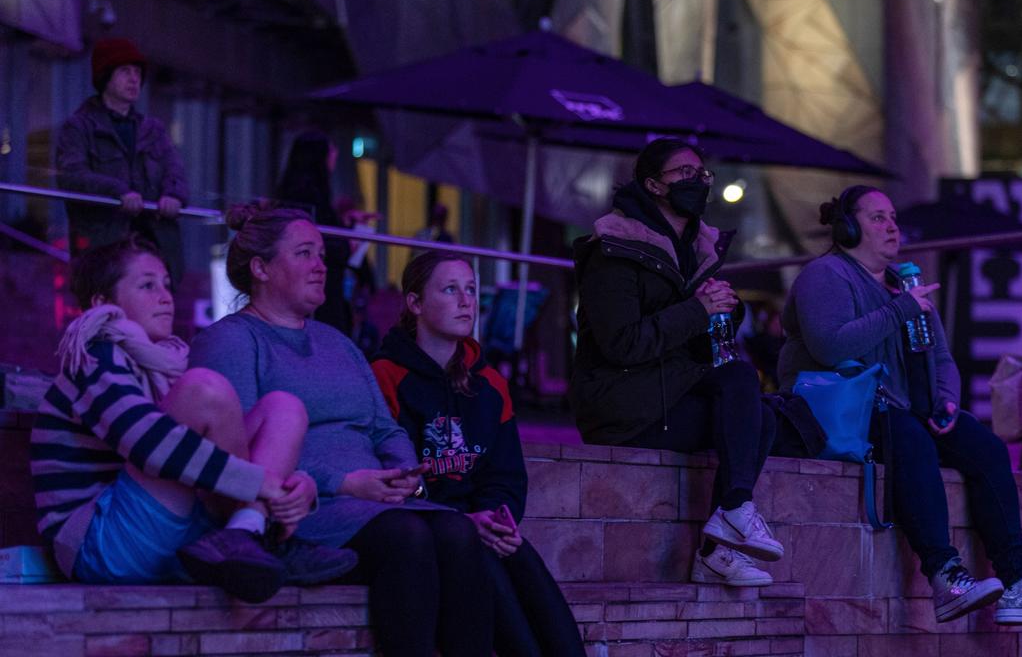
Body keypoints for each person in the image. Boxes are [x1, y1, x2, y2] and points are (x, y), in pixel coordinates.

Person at [189, 204, 493, 657]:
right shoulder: (233, 340)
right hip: (304, 508)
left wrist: (403, 476)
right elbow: (239, 446)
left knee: (459, 533)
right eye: (305, 253)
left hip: (377, 503)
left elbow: (384, 429)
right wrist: (346, 483)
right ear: (261, 268)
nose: (321, 265)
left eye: (322, 256)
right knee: (407, 538)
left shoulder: (339, 343)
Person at [777, 185, 1022, 626]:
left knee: (986, 448)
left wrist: (946, 398)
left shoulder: (905, 284)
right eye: (878, 218)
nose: (893, 227)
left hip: (905, 408)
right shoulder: (826, 275)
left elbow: (940, 355)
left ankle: (1018, 584)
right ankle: (945, 576)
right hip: (841, 411)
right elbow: (830, 346)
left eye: (893, 218)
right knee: (910, 439)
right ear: (848, 227)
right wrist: (900, 309)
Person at [31, 235, 355, 604]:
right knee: (205, 390)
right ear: (102, 303)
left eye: (167, 284)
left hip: (168, 531)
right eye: (147, 286)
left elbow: (218, 453)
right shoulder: (95, 356)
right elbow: (146, 443)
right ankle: (263, 536)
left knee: (283, 407)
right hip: (102, 545)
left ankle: (247, 532)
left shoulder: (161, 364)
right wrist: (262, 484)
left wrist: (298, 486)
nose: (166, 296)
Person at [571, 138, 783, 587]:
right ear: (653, 185)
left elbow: (695, 349)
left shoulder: (696, 251)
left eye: (703, 174)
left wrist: (723, 313)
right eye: (684, 174)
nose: (699, 181)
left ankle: (721, 540)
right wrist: (697, 311)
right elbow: (623, 345)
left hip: (666, 395)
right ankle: (730, 523)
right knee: (744, 387)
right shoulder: (613, 250)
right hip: (621, 409)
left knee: (759, 411)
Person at [371, 251, 584, 657]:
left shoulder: (489, 382)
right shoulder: (385, 376)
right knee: (487, 568)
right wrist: (466, 522)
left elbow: (505, 476)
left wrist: (495, 518)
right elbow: (393, 476)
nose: (466, 301)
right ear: (415, 303)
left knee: (523, 564)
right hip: (429, 529)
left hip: (482, 525)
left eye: (470, 289)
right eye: (450, 290)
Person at [56, 38, 189, 284]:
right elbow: (71, 176)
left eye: (138, 72)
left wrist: (174, 195)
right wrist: (117, 192)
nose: (134, 78)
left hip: (154, 245)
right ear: (105, 75)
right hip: (104, 246)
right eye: (125, 71)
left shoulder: (153, 130)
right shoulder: (79, 127)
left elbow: (176, 171)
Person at [273, 130, 372, 336]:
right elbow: (316, 239)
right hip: (318, 290)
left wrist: (345, 222)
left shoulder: (298, 194)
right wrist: (348, 243)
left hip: (314, 287)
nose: (335, 155)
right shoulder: (309, 196)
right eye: (331, 150)